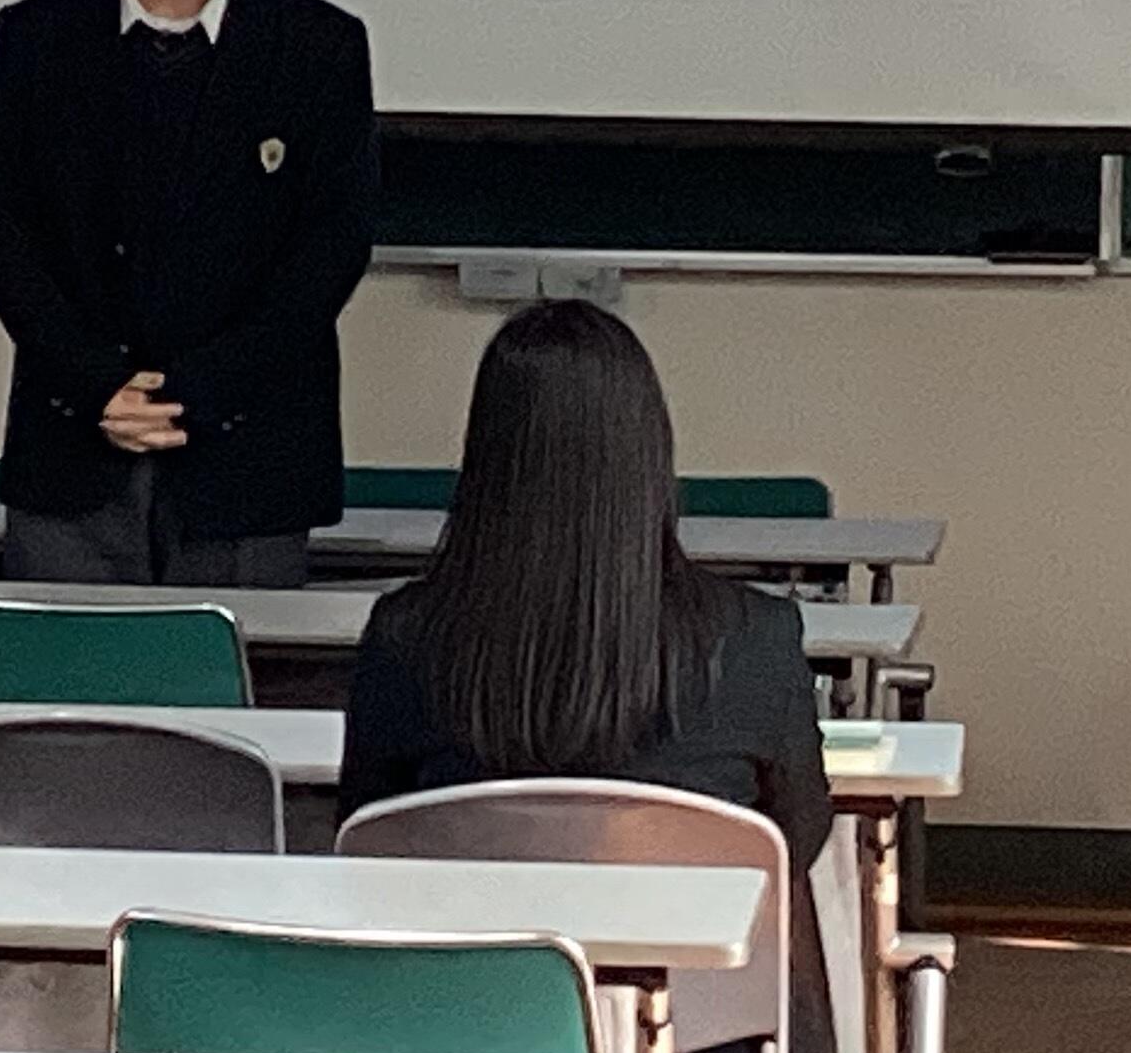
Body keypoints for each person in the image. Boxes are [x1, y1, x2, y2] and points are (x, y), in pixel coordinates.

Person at [0, 0, 378, 587]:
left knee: (242, 668)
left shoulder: (317, 45)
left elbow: (330, 250)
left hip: (248, 453)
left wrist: (193, 392)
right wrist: (97, 387)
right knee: (62, 669)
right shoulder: (37, 37)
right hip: (73, 445)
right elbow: (0, 232)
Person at [337, 298, 833, 873]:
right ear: (650, 450)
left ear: (486, 455)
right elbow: (794, 841)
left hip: (469, 932)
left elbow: (367, 836)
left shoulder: (404, 637)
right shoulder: (756, 637)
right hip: (679, 934)